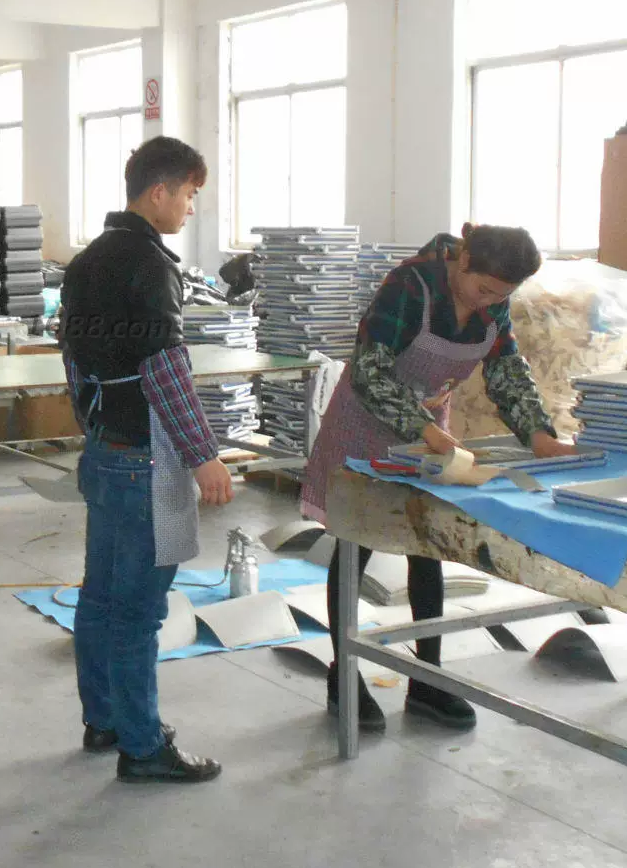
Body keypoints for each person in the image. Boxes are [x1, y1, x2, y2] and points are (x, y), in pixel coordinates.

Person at [300, 225, 574, 733]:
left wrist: (539, 435)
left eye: (501, 295)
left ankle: (428, 678)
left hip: (430, 429)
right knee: (355, 542)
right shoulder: (410, 286)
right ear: (463, 259)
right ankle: (344, 673)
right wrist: (426, 431)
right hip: (366, 421)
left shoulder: (492, 301)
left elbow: (506, 368)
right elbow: (370, 372)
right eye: (484, 289)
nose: (489, 301)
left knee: (427, 544)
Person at [60, 136, 232, 785]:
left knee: (101, 597)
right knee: (138, 611)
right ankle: (141, 747)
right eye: (189, 194)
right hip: (143, 459)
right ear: (159, 192)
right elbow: (165, 369)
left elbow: (73, 360)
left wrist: (96, 428)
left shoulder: (88, 260)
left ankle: (105, 718)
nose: (190, 207)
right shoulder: (150, 264)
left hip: (107, 448)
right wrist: (203, 455)